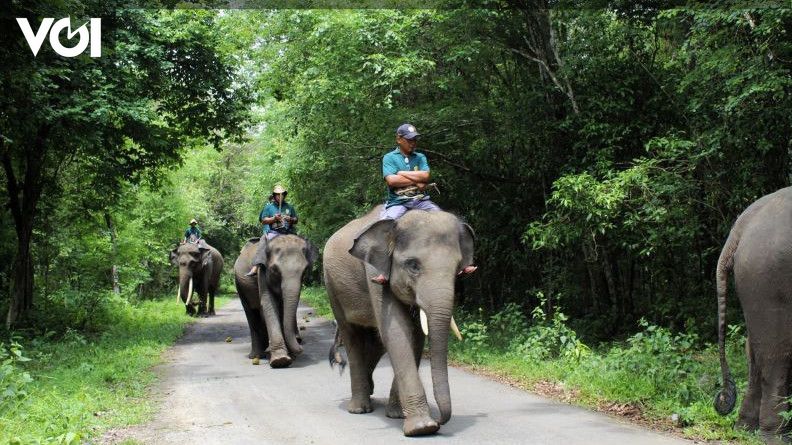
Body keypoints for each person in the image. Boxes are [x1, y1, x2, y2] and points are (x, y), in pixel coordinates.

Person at [371, 123, 477, 284]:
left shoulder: (420, 157)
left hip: (421, 202)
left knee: (449, 222)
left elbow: (425, 177)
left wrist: (402, 174)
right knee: (383, 227)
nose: (413, 143)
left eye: (415, 140)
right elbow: (391, 181)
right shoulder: (389, 157)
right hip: (398, 203)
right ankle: (384, 271)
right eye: (409, 140)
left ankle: (462, 264)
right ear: (399, 139)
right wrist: (415, 177)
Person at [245, 185, 299, 277]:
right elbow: (263, 220)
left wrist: (290, 219)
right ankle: (256, 266)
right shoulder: (269, 207)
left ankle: (302, 269)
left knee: (301, 244)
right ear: (274, 196)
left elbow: (296, 220)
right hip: (274, 232)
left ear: (284, 195)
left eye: (281, 195)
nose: (280, 196)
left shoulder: (289, 207)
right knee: (263, 240)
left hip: (288, 233)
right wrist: (274, 218)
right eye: (277, 195)